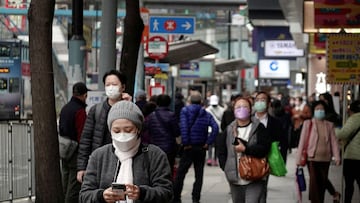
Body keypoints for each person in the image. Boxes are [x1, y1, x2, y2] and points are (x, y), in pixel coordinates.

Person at [79, 101, 173, 203]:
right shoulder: (99, 156)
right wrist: (101, 196)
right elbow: (84, 195)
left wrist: (142, 193)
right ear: (110, 131)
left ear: (138, 129)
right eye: (116, 131)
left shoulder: (154, 155)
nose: (122, 135)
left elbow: (166, 192)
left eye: (128, 130)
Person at [77, 70, 132, 183]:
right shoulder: (96, 110)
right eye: (108, 85)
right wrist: (82, 167)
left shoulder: (130, 109)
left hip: (124, 162)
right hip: (100, 163)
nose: (111, 88)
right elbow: (86, 140)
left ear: (123, 87)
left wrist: (129, 105)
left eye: (114, 84)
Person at [217, 97, 271, 203]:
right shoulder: (229, 130)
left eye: (245, 106)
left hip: (255, 176)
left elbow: (264, 149)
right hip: (235, 179)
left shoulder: (259, 128)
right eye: (238, 107)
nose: (241, 109)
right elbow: (221, 150)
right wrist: (226, 167)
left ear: (250, 110)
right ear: (234, 110)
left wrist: (246, 149)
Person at [172, 93, 219, 203]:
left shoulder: (185, 111)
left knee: (181, 173)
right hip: (201, 147)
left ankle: (176, 197)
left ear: (190, 100)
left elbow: (183, 127)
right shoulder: (206, 113)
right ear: (201, 101)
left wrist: (186, 142)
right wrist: (208, 142)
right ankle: (195, 198)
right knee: (199, 174)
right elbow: (215, 127)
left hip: (188, 147)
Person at [296, 100, 341, 203]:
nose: (319, 111)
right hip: (312, 158)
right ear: (313, 111)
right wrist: (298, 159)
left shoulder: (329, 125)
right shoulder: (308, 123)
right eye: (317, 109)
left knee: (323, 181)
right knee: (314, 183)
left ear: (325, 111)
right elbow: (302, 141)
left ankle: (325, 197)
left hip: (326, 158)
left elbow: (334, 142)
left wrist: (337, 157)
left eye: (321, 109)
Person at [59, 82, 89, 203]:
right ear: (84, 95)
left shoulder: (65, 108)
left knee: (65, 181)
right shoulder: (80, 111)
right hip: (75, 151)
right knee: (74, 185)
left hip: (64, 149)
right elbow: (82, 133)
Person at [253, 91, 282, 203]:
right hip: (248, 158)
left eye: (263, 100)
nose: (260, 102)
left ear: (269, 103)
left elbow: (280, 140)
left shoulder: (275, 123)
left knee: (261, 188)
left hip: (266, 159)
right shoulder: (247, 120)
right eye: (257, 100)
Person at [143, 94, 180, 176]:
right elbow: (177, 132)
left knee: (155, 169)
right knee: (168, 168)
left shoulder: (151, 116)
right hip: (169, 147)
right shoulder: (171, 115)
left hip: (155, 146)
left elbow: (146, 129)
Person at [336, 100, 360, 203]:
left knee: (349, 185)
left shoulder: (355, 119)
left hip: (352, 157)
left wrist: (335, 130)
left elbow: (343, 134)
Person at [205, 95, 225, 166]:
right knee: (215, 145)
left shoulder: (207, 110)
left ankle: (211, 159)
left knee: (212, 145)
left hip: (211, 130)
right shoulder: (222, 110)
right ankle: (214, 159)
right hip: (217, 130)